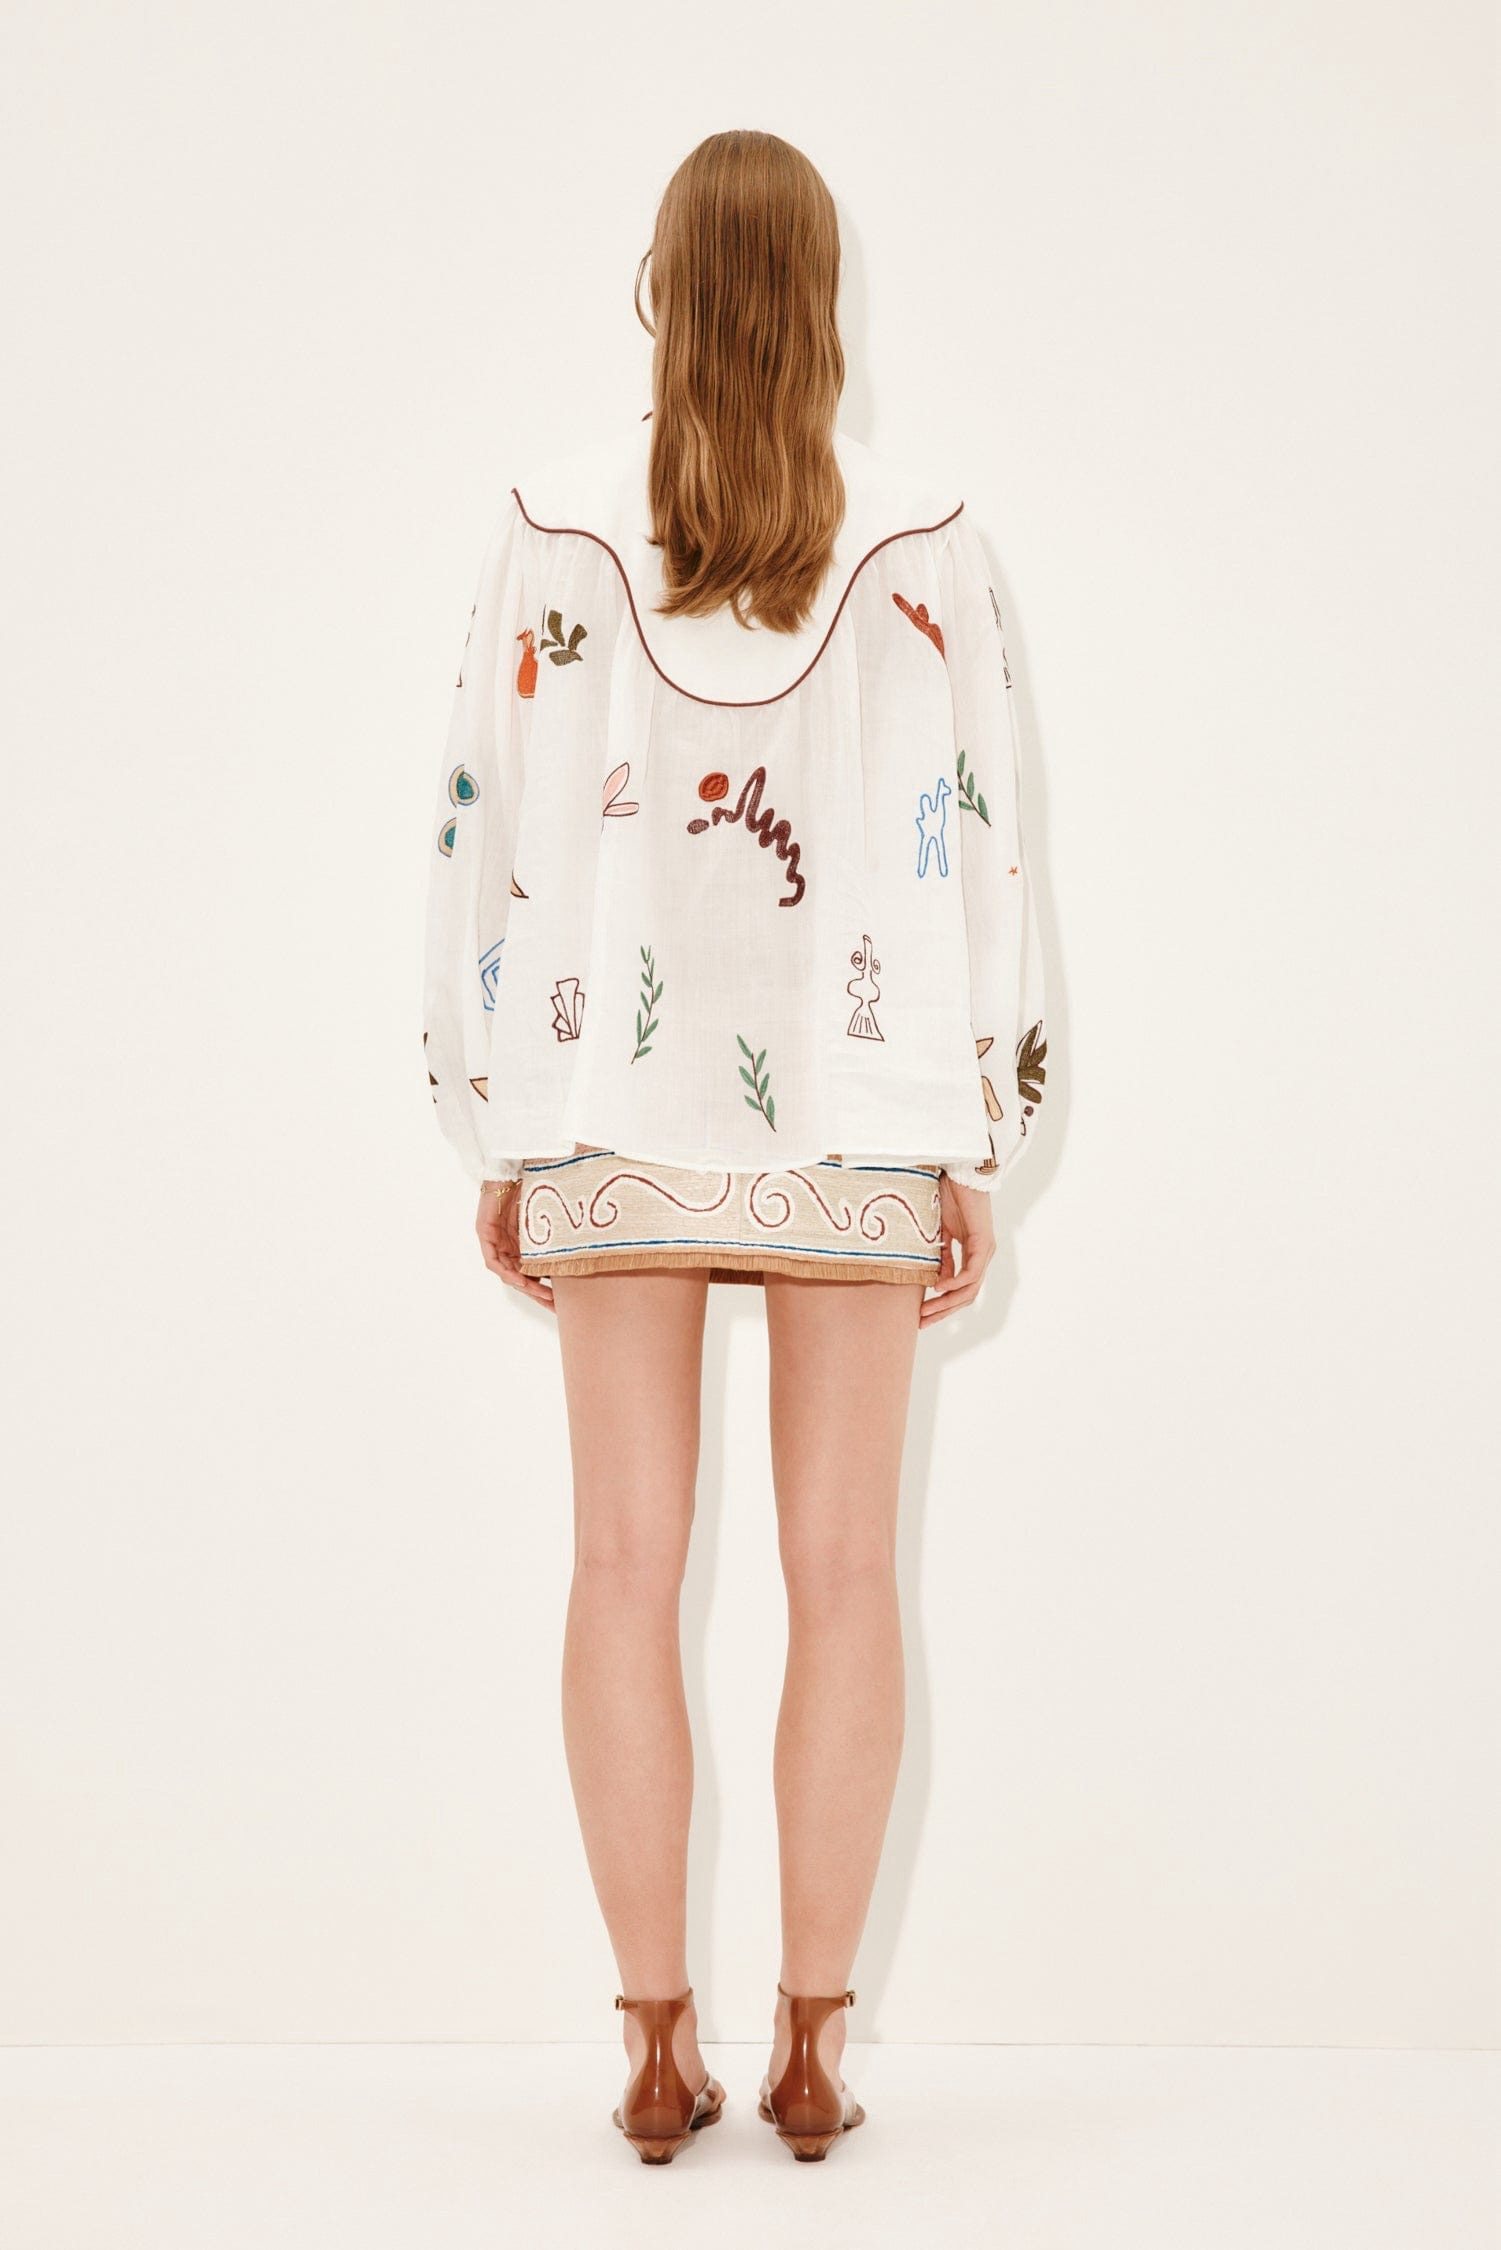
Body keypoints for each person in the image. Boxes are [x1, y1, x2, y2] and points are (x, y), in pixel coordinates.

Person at [422, 129, 1046, 2165]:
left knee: (620, 1564)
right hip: (858, 1117)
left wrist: (497, 1122)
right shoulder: (925, 538)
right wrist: (976, 1125)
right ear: (824, 293)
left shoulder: (553, 529)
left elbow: (485, 832)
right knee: (847, 1571)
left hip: (609, 1110)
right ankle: (813, 2044)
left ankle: (648, 2040)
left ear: (659, 287)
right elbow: (988, 846)